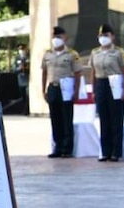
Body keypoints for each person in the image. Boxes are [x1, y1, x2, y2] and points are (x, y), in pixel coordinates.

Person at [42, 26, 83, 158]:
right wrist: (43, 89)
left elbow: (77, 73)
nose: (56, 39)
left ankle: (67, 149)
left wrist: (76, 91)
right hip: (53, 87)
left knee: (66, 118)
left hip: (66, 88)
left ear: (65, 38)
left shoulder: (72, 54)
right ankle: (57, 147)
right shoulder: (48, 54)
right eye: (54, 37)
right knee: (55, 119)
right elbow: (44, 72)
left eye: (59, 37)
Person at [89, 24, 124, 162]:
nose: (103, 38)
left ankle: (116, 152)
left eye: (106, 35)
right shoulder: (95, 52)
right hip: (101, 83)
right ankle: (105, 152)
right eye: (101, 35)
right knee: (104, 119)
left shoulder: (118, 52)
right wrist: (94, 90)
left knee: (116, 118)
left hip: (115, 83)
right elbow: (93, 72)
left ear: (112, 37)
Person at [14, 43, 30, 114]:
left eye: (22, 49)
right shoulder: (17, 58)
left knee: (27, 95)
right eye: (20, 49)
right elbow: (14, 69)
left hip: (28, 80)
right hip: (21, 80)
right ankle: (24, 109)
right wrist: (19, 68)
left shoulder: (29, 57)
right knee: (23, 96)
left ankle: (27, 110)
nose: (21, 50)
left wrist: (26, 68)